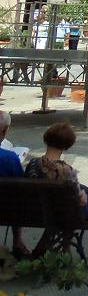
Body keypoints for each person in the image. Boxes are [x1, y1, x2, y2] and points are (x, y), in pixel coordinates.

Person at [25, 122, 88, 225]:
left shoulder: (33, 163)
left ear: (46, 140)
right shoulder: (67, 171)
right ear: (66, 146)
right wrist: (83, 194)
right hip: (65, 214)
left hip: (37, 212)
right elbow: (82, 201)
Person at [0, 111, 30, 259]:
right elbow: (22, 186)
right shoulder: (10, 158)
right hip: (7, 209)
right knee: (17, 199)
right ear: (5, 131)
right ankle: (17, 241)